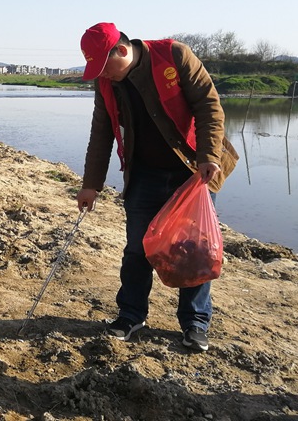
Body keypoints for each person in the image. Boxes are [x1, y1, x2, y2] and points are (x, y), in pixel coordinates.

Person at [75, 22, 238, 352]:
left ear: (121, 50)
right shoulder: (106, 82)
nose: (102, 75)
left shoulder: (174, 56)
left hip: (192, 171)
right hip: (144, 174)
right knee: (137, 248)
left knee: (196, 249)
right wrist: (91, 185)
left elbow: (209, 106)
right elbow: (101, 133)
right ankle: (130, 315)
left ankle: (195, 323)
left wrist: (208, 156)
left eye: (104, 66)